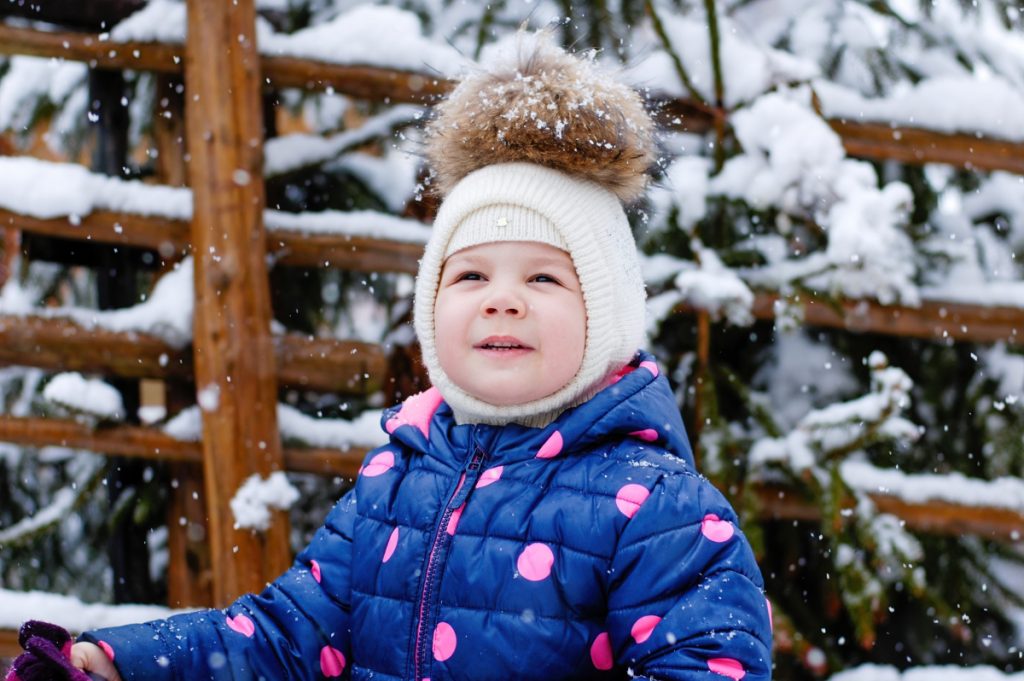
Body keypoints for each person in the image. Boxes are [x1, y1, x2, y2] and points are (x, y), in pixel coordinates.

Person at [63, 31, 773, 680]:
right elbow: (283, 639)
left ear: (607, 310)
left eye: (543, 278)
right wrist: (121, 663)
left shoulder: (661, 510)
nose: (502, 300)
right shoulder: (395, 484)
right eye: (471, 276)